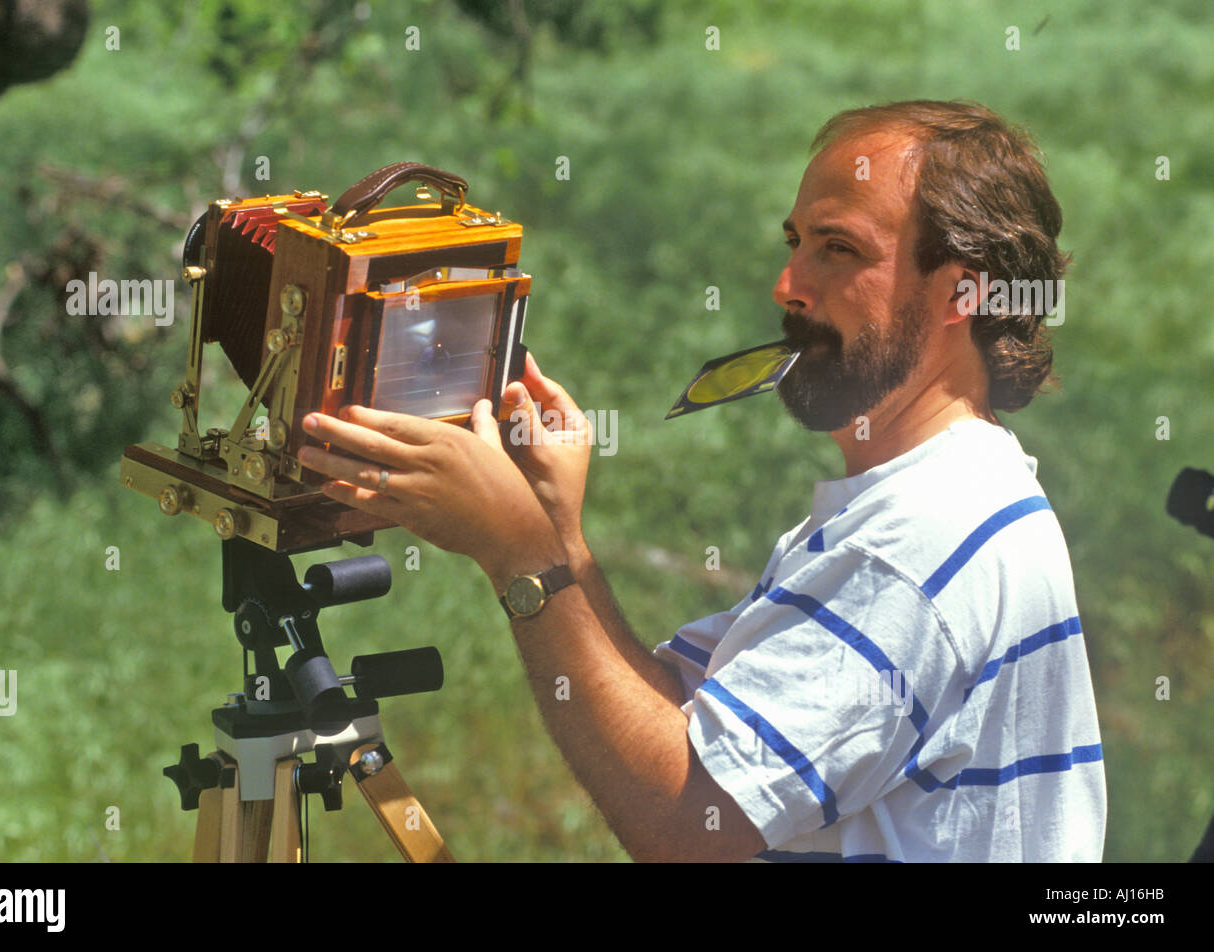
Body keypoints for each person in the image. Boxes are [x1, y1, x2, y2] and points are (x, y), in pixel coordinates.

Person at [295, 99, 1107, 862]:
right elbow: (688, 729)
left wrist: (521, 559)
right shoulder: (949, 492)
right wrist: (558, 535)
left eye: (840, 249)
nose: (788, 287)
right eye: (795, 244)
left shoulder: (918, 545)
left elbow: (687, 820)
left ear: (962, 292)